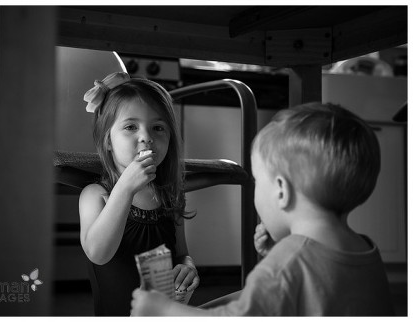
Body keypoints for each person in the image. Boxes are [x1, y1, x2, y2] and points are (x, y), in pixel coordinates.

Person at [130, 102, 395, 316]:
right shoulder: (364, 249)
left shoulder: (289, 262)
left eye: (258, 180)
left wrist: (164, 310)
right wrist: (274, 256)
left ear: (282, 191)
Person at [79, 72, 199, 316]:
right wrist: (125, 187)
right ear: (108, 141)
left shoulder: (170, 196)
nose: (146, 137)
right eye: (130, 127)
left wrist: (187, 267)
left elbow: (181, 253)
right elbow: (98, 254)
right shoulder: (95, 195)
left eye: (157, 128)